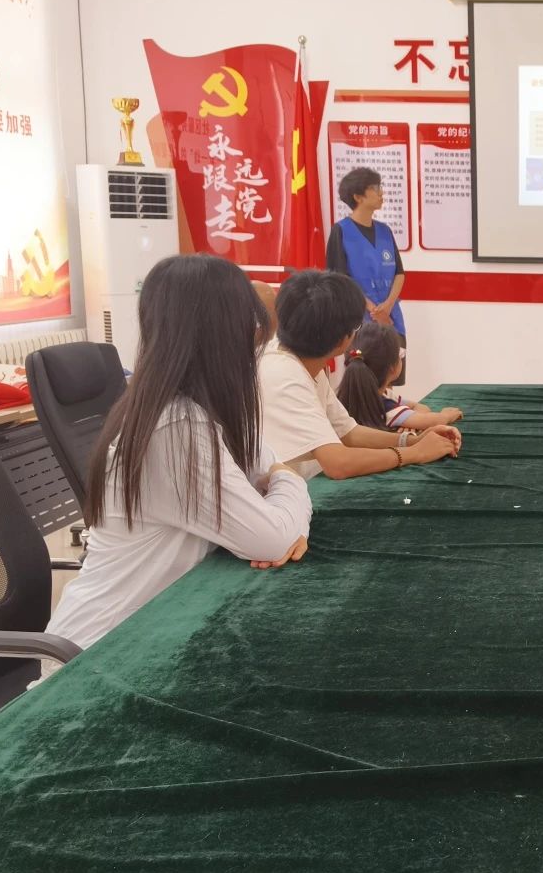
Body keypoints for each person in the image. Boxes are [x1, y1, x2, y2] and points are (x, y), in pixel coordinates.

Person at [48, 255, 313, 650]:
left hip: (151, 633)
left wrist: (288, 512)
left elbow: (266, 465)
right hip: (97, 654)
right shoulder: (175, 429)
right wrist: (292, 488)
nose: (254, 345)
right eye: (248, 328)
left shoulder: (189, 409)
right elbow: (273, 536)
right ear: (221, 337)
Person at [259, 270, 461, 480]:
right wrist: (415, 453)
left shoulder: (303, 359)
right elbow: (339, 464)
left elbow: (349, 432)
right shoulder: (285, 376)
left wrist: (411, 441)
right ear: (343, 340)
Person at [326, 167, 408, 384]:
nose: (381, 192)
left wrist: (387, 306)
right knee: (365, 381)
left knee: (390, 379)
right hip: (359, 321)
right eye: (375, 188)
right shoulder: (341, 231)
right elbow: (340, 280)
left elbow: (399, 273)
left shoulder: (385, 231)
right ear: (358, 196)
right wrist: (373, 310)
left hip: (391, 318)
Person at [336, 323, 463, 432]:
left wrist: (409, 421)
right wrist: (446, 415)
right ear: (392, 367)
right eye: (400, 354)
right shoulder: (388, 409)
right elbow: (432, 420)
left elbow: (421, 408)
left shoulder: (350, 395)